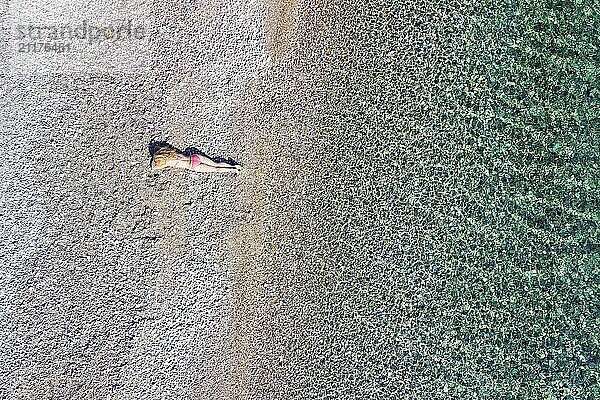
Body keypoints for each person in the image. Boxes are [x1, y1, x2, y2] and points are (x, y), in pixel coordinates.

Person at [150, 144, 241, 173]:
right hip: (195, 157)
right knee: (215, 163)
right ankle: (234, 166)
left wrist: (154, 159)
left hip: (193, 166)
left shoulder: (168, 162)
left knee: (215, 169)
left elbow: (154, 167)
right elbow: (157, 149)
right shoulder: (172, 153)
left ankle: (233, 170)